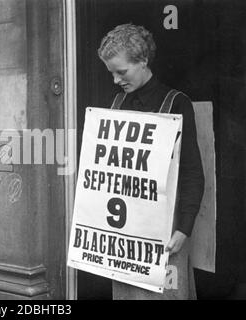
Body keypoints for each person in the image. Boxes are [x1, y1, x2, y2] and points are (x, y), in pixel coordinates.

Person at [98, 23, 205, 299]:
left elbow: (192, 171)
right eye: (111, 73)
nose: (115, 80)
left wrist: (185, 227)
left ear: (143, 61)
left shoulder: (177, 104)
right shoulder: (116, 105)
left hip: (166, 228)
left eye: (121, 72)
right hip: (124, 228)